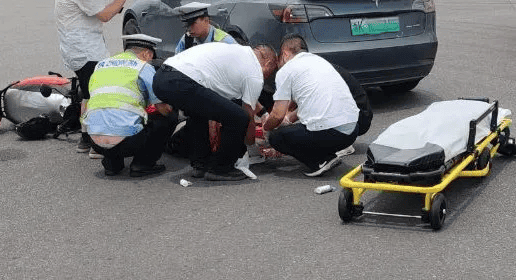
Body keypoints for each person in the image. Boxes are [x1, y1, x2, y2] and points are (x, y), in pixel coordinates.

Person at [54, 0, 136, 156]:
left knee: (89, 94)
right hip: (85, 50)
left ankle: (86, 139)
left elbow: (102, 9)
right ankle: (99, 145)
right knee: (99, 95)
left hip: (80, 48)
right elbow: (105, 15)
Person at [153, 42, 278, 181]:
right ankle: (221, 168)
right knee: (239, 118)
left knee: (200, 112)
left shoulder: (238, 52)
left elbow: (244, 99)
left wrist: (264, 113)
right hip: (181, 81)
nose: (267, 77)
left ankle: (201, 165)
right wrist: (252, 149)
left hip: (162, 78)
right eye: (271, 71)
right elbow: (248, 116)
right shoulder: (255, 72)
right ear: (268, 63)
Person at [262, 36, 361, 177]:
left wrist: (266, 129)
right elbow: (312, 101)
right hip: (352, 130)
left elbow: (277, 115)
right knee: (301, 128)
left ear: (284, 53)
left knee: (276, 137)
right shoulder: (320, 61)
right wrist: (289, 119)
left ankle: (319, 161)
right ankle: (326, 154)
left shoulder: (286, 70)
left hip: (332, 133)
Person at [82, 34, 177, 177]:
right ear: (146, 53)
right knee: (168, 118)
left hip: (94, 141)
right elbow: (163, 109)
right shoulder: (143, 67)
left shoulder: (100, 65)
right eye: (151, 57)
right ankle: (143, 164)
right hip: (127, 143)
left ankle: (112, 164)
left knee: (108, 114)